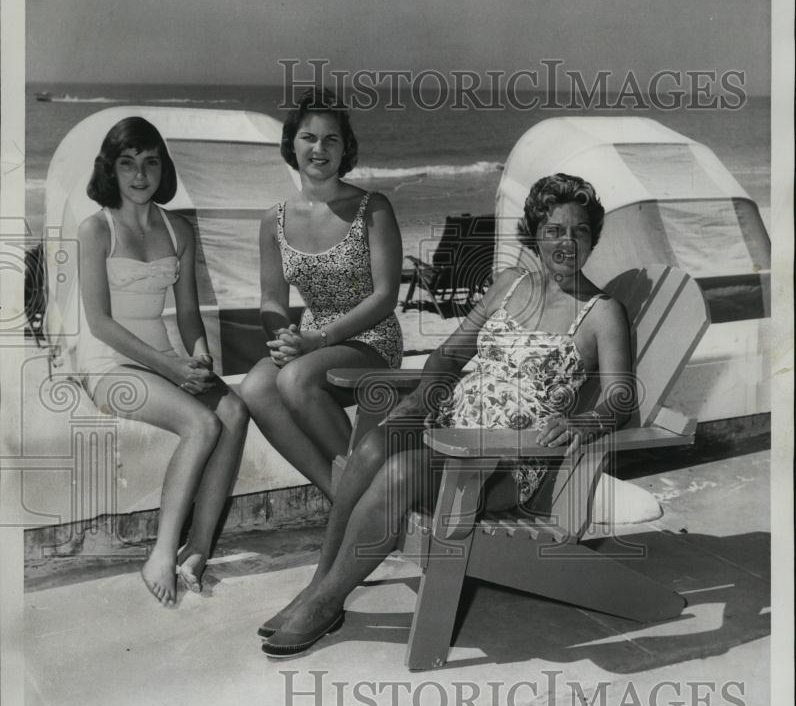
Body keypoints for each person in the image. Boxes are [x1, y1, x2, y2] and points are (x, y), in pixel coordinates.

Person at [258, 173, 634, 657]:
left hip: (506, 461)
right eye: (555, 229)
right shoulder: (509, 285)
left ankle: (326, 602)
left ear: (593, 238)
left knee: (400, 471)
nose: (566, 242)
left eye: (579, 231)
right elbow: (448, 356)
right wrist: (421, 401)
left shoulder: (603, 313)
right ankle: (317, 586)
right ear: (535, 233)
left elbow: (621, 398)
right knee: (373, 445)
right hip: (449, 432)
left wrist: (585, 422)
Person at [76, 117, 249, 605]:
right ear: (111, 168)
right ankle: (160, 552)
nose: (139, 174)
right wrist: (173, 369)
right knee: (201, 424)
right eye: (127, 163)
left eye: (150, 162)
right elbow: (100, 323)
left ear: (163, 168)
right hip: (111, 363)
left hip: (165, 357)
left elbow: (190, 316)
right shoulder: (96, 229)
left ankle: (197, 548)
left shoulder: (178, 230)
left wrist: (198, 356)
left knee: (234, 411)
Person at [239, 89, 403, 499]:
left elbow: (385, 296)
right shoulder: (272, 220)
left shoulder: (373, 208)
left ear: (345, 149)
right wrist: (282, 338)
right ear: (292, 145)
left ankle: (363, 485)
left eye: (332, 138)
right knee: (256, 388)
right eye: (309, 137)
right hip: (310, 343)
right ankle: (341, 492)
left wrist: (317, 340)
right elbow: (272, 298)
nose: (319, 147)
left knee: (294, 380)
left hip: (370, 339)